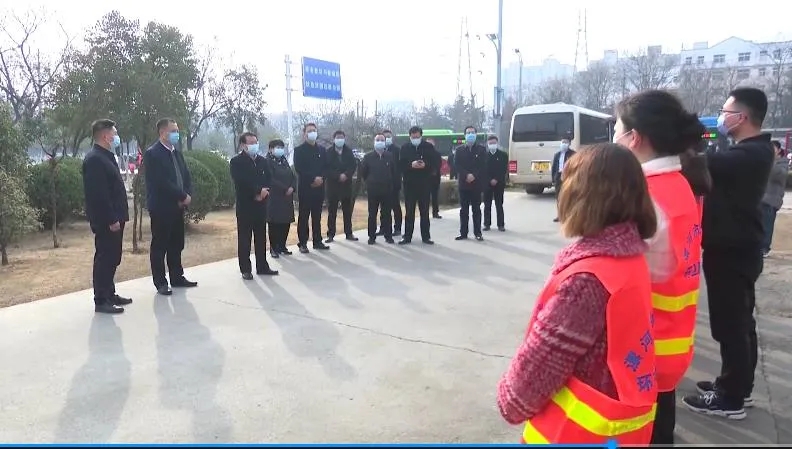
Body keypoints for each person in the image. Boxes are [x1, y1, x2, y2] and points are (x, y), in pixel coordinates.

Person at [497, 143, 658, 445]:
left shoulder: (586, 281)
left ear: (583, 195)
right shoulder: (629, 255)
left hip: (571, 433)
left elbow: (518, 398)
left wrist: (507, 391)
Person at [614, 89, 710, 445]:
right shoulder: (680, 185)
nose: (613, 138)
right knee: (661, 429)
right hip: (672, 343)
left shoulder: (642, 197)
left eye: (616, 130)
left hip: (638, 350)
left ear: (634, 137)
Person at [684, 87, 775, 420]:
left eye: (725, 112)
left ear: (743, 117)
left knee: (730, 325)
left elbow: (699, 163)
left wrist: (685, 137)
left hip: (732, 251)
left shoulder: (751, 154)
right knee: (741, 323)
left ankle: (730, 398)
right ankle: (738, 385)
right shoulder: (749, 151)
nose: (721, 118)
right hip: (737, 248)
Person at [82, 119, 132, 314]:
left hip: (116, 216)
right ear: (105, 136)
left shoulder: (106, 156)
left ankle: (110, 293)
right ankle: (101, 299)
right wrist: (111, 218)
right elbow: (99, 195)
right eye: (115, 133)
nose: (117, 137)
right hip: (107, 220)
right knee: (105, 258)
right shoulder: (95, 159)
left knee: (113, 257)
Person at [143, 118, 198, 295]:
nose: (176, 134)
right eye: (173, 131)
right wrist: (181, 195)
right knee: (160, 246)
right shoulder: (153, 154)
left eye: (177, 130)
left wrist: (187, 194)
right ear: (162, 133)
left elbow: (186, 176)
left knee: (176, 243)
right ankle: (160, 282)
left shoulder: (177, 152)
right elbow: (161, 182)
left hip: (178, 207)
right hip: (162, 207)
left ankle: (177, 277)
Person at [229, 132, 278, 280]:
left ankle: (262, 266)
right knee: (245, 239)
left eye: (255, 142)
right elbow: (241, 182)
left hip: (261, 205)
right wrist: (256, 192)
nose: (254, 145)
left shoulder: (263, 161)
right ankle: (245, 269)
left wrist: (264, 191)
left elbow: (269, 178)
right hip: (245, 206)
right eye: (250, 143)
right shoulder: (236, 162)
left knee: (261, 237)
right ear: (243, 145)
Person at [293, 123, 330, 254]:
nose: (312, 133)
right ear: (304, 134)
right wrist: (313, 179)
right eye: (309, 131)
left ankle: (317, 241)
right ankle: (302, 243)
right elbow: (299, 168)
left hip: (319, 188)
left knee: (317, 216)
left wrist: (321, 178)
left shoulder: (322, 150)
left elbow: (326, 167)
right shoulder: (299, 150)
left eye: (314, 130)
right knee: (304, 216)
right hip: (306, 188)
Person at [399, 126, 436, 245]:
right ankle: (407, 237)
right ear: (410, 136)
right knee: (409, 212)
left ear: (421, 136)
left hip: (424, 183)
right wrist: (411, 165)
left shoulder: (428, 147)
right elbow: (401, 165)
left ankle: (426, 237)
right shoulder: (404, 148)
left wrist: (425, 165)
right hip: (409, 184)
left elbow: (434, 164)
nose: (415, 139)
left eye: (417, 137)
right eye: (413, 137)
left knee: (424, 212)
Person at [360, 133, 397, 245]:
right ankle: (371, 236)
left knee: (387, 214)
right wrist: (369, 182)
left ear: (385, 142)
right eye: (377, 140)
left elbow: (394, 172)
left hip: (387, 189)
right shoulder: (368, 157)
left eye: (382, 140)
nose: (380, 142)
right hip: (373, 190)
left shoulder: (390, 156)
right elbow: (363, 173)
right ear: (374, 142)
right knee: (372, 214)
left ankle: (388, 235)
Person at [324, 130, 359, 243]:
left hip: (346, 185)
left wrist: (346, 175)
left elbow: (353, 165)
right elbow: (326, 168)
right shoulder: (328, 152)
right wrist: (337, 176)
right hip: (332, 185)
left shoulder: (348, 151)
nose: (340, 140)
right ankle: (330, 234)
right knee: (332, 211)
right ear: (334, 139)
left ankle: (349, 233)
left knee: (347, 211)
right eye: (338, 137)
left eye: (342, 137)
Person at [454, 126, 487, 241]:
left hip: (476, 184)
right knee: (464, 210)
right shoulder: (459, 150)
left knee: (476, 209)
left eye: (472, 132)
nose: (470, 134)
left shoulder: (481, 150)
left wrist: (474, 175)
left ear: (476, 134)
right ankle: (463, 233)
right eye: (468, 133)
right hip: (463, 184)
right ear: (465, 135)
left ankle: (478, 233)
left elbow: (483, 165)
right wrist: (466, 175)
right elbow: (456, 165)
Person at [265, 139, 296, 258]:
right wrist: (284, 188)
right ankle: (274, 248)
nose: (280, 150)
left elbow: (292, 176)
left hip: (287, 198)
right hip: (275, 197)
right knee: (274, 223)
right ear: (271, 149)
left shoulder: (283, 160)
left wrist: (292, 187)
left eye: (281, 147)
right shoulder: (267, 162)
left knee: (285, 222)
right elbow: (271, 179)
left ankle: (282, 245)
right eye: (277, 147)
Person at [760, 141, 788, 257]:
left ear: (779, 150)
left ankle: (764, 248)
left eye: (773, 148)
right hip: (761, 198)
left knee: (767, 224)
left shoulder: (783, 164)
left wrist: (768, 161)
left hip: (772, 200)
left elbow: (778, 174)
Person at [379, 129, 402, 236]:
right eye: (385, 137)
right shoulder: (380, 150)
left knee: (395, 206)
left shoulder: (397, 150)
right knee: (383, 208)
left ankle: (397, 228)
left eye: (389, 137)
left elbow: (399, 167)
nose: (387, 139)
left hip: (394, 183)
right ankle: (383, 228)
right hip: (382, 184)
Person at [483, 134, 508, 232]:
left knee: (499, 204)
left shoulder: (503, 155)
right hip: (487, 183)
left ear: (497, 143)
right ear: (487, 144)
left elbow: (503, 169)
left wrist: (496, 179)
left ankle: (501, 224)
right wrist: (490, 179)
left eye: (494, 143)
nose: (492, 145)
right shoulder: (484, 156)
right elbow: (483, 170)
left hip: (499, 183)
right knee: (487, 204)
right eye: (490, 143)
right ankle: (487, 224)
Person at [551, 137, 575, 222]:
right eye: (562, 142)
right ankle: (560, 215)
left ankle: (569, 215)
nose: (564, 144)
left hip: (568, 177)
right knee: (559, 197)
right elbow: (554, 167)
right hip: (558, 177)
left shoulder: (573, 154)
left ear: (569, 144)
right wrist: (553, 179)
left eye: (566, 142)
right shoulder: (557, 155)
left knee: (569, 196)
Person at [426, 137, 443, 219]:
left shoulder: (437, 154)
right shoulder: (423, 153)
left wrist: (434, 171)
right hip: (425, 178)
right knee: (425, 197)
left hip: (435, 178)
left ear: (434, 144)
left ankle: (435, 212)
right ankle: (425, 212)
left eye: (431, 143)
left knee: (435, 196)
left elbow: (439, 164)